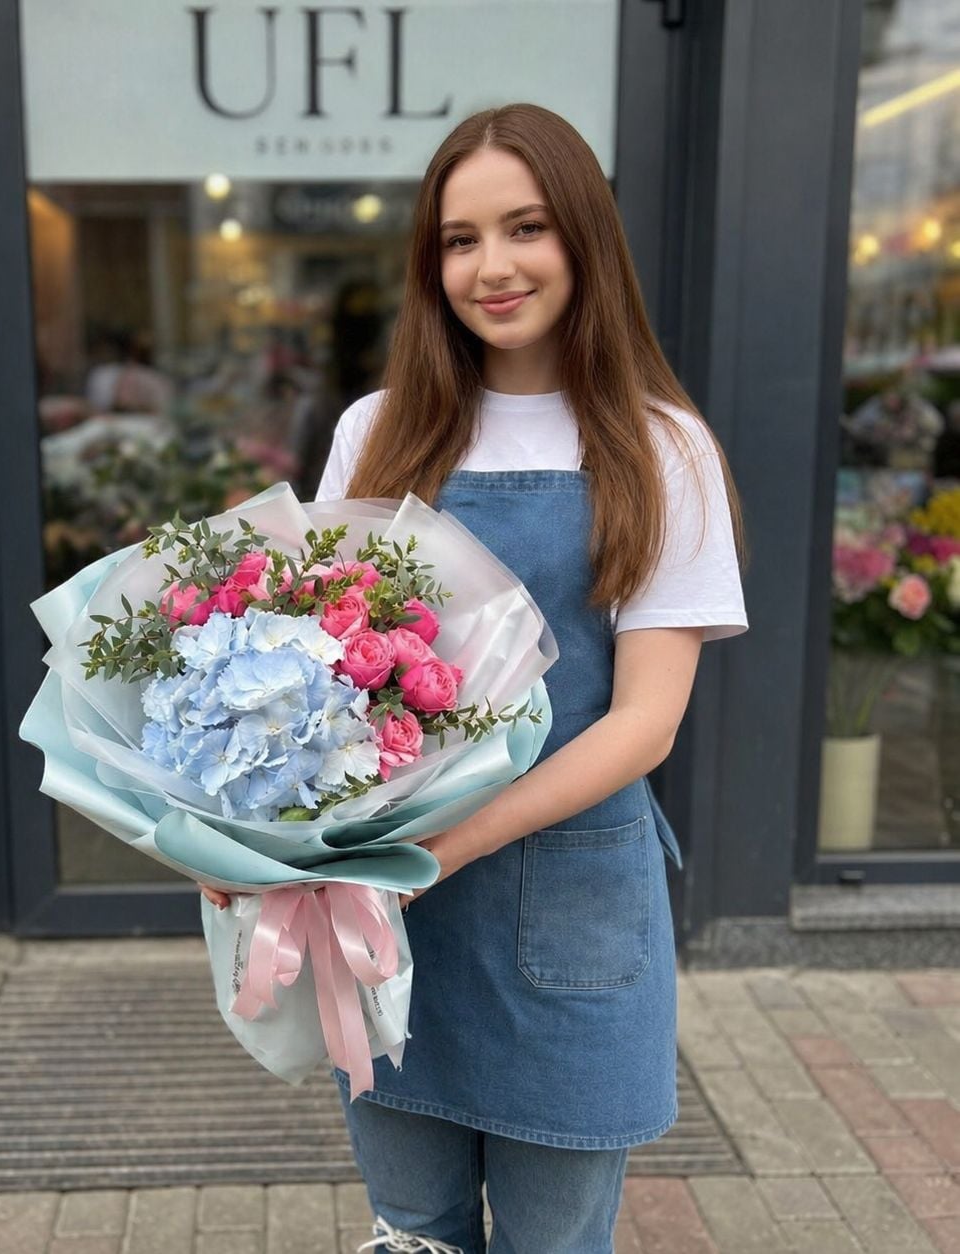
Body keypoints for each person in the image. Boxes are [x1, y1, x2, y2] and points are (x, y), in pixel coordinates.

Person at [201, 102, 748, 1253]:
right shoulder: (381, 429)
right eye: (459, 239)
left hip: (568, 905)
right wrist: (244, 843)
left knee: (555, 1239)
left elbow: (643, 724)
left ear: (585, 239)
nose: (490, 267)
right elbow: (307, 678)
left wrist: (438, 848)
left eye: (526, 228)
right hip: (390, 916)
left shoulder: (663, 450)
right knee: (413, 1227)